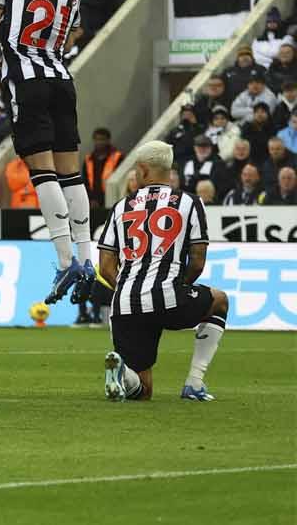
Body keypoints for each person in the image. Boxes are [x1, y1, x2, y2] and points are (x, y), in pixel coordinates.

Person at [0, 0, 91, 305]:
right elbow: (74, 32)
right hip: (61, 77)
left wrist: (8, 38)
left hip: (26, 77)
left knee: (42, 171)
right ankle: (86, 257)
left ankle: (65, 261)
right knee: (71, 174)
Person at [98, 140, 229, 402]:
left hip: (125, 306)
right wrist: (178, 286)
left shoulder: (121, 206)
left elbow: (105, 265)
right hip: (169, 297)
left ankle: (126, 373)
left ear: (144, 170)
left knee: (143, 391)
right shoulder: (190, 203)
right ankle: (194, 382)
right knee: (219, 301)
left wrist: (124, 289)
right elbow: (198, 260)